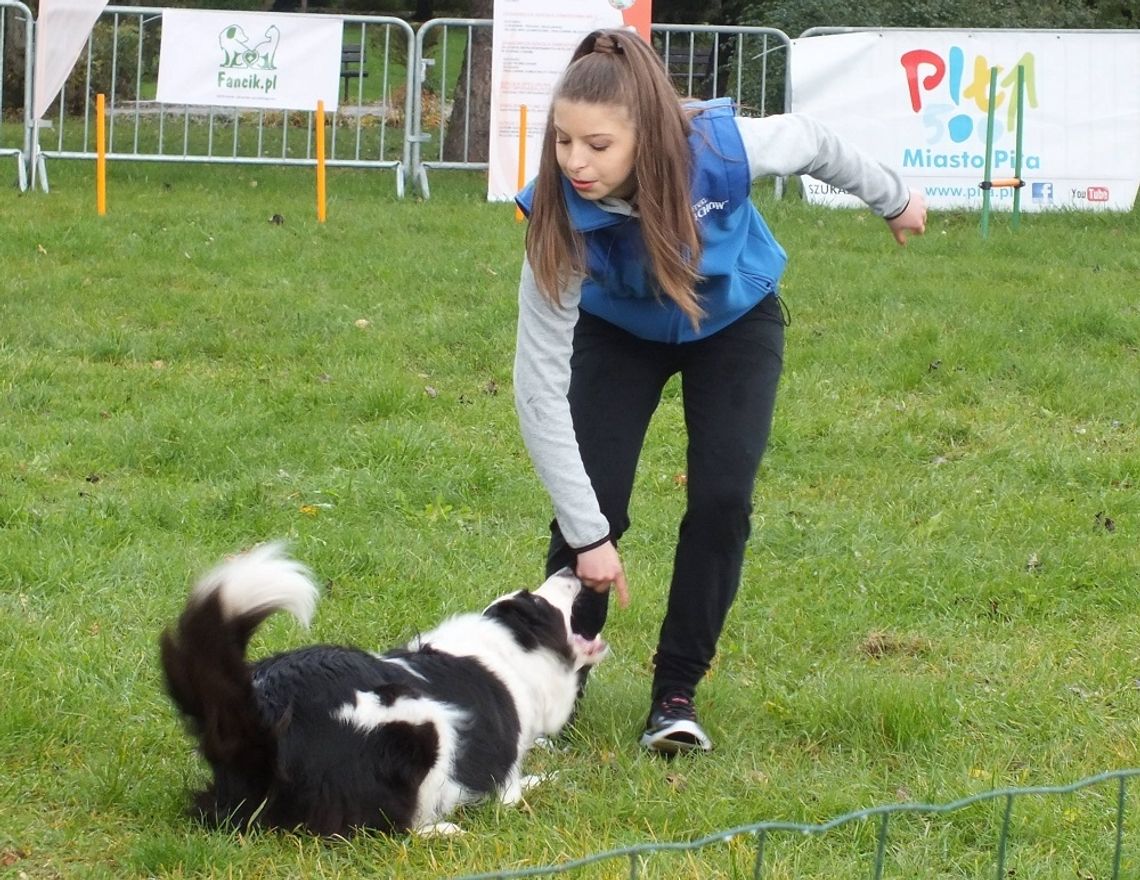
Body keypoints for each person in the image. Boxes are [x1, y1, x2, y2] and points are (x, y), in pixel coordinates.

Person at [512, 28, 927, 755]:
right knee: (594, 500)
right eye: (563, 141)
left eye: (599, 146)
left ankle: (676, 693)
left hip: (734, 320)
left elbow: (815, 140)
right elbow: (538, 390)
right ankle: (557, 682)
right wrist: (589, 535)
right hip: (618, 333)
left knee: (722, 497)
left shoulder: (722, 149)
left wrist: (892, 199)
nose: (576, 162)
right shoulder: (556, 215)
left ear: (649, 134)